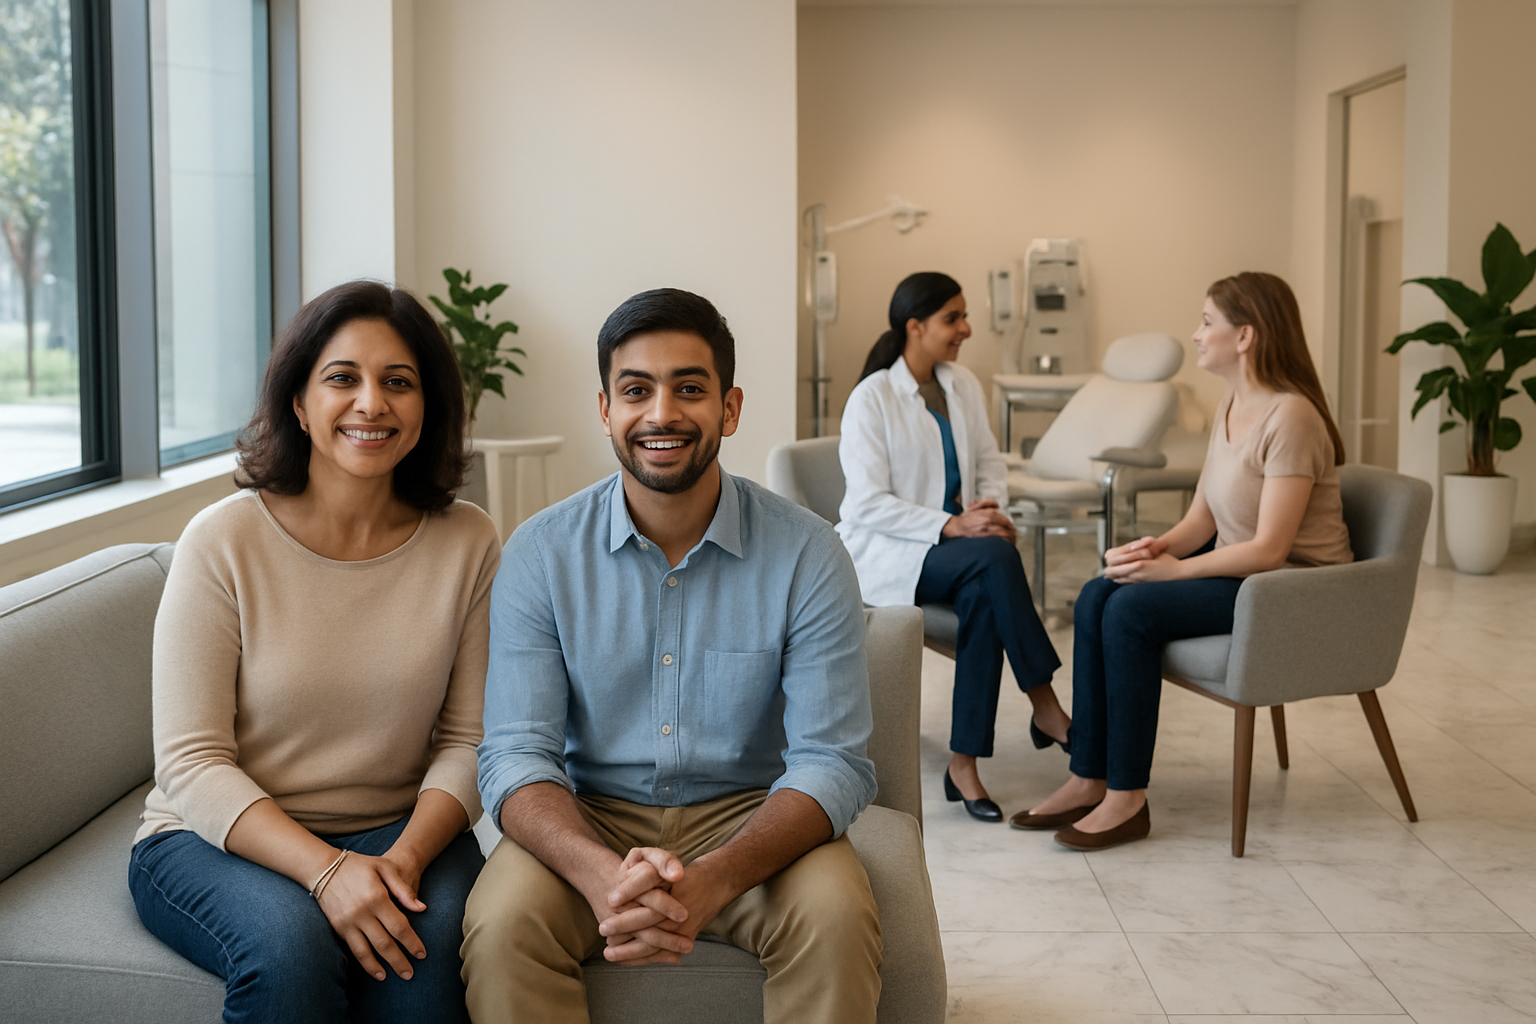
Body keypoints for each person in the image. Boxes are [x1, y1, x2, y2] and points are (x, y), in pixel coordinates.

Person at [463, 288, 881, 1024]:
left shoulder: (810, 553)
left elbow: (832, 761)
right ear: (605, 411)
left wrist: (714, 879)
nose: (661, 414)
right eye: (636, 390)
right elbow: (515, 756)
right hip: (588, 815)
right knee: (502, 924)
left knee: (836, 915)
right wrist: (598, 874)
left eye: (690, 388)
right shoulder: (539, 552)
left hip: (755, 817)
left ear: (731, 407)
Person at [128, 281, 500, 1023]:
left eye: (399, 382)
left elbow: (469, 740)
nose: (372, 403)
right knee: (291, 952)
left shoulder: (471, 541)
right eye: (342, 378)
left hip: (403, 830)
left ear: (428, 408)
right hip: (218, 838)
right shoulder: (222, 540)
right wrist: (327, 872)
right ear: (298, 402)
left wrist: (400, 861)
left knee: (428, 981)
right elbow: (192, 762)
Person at [1016, 271, 1353, 850]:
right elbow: (1202, 520)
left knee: (1130, 612)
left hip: (1290, 590)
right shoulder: (1232, 405)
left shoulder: (1291, 418)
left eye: (1206, 322)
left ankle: (1127, 798)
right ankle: (1087, 777)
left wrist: (1174, 571)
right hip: (1245, 576)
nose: (1195, 335)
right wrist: (1151, 549)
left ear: (1245, 336)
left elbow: (1271, 549)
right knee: (1100, 592)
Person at [837, 271, 1067, 823]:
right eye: (953, 318)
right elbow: (866, 503)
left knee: (988, 584)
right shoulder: (872, 398)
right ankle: (1046, 705)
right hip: (888, 550)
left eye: (965, 317)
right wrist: (951, 525)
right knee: (992, 561)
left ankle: (964, 764)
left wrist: (988, 512)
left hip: (959, 552)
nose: (966, 328)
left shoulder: (962, 384)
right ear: (914, 326)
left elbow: (988, 464)